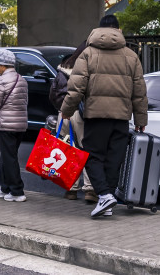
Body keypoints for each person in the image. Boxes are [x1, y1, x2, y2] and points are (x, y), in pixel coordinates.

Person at [60, 14, 148, 218]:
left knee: (90, 155)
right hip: (121, 118)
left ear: (98, 30)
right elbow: (139, 91)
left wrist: (67, 110)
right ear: (119, 31)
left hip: (96, 116)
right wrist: (141, 120)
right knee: (114, 160)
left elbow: (76, 88)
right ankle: (106, 201)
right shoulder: (131, 56)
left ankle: (104, 195)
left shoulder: (88, 54)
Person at [49, 40, 95, 202]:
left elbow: (53, 93)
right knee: (86, 149)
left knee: (68, 150)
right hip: (81, 113)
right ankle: (89, 189)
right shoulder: (88, 67)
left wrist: (62, 109)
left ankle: (70, 189)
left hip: (64, 112)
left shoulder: (64, 67)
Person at [0, 49, 29, 202]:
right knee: (8, 156)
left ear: (2, 65)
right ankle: (5, 188)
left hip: (6, 124)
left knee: (9, 158)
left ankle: (17, 191)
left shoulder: (0, 81)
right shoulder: (22, 80)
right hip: (20, 124)